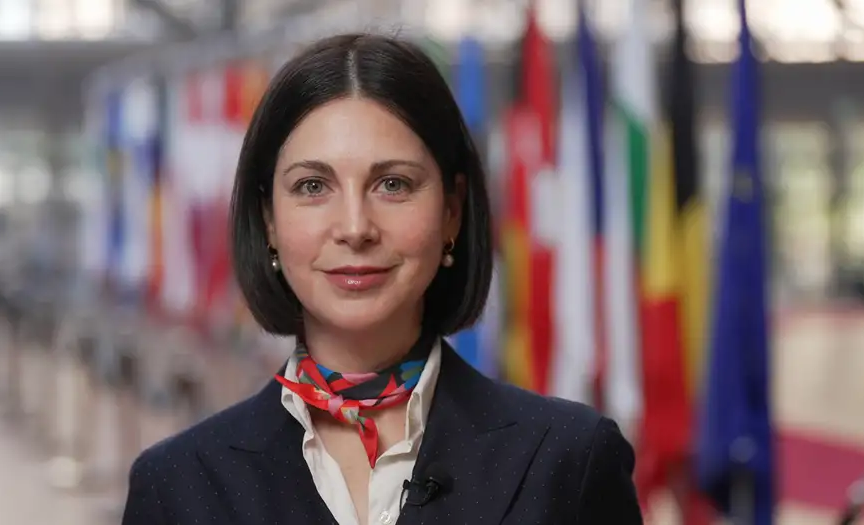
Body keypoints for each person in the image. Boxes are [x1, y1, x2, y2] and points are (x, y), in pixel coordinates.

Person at [122, 33, 642, 525]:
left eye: (393, 184)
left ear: (452, 211)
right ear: (269, 221)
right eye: (312, 186)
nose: (355, 228)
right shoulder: (177, 485)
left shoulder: (569, 461)